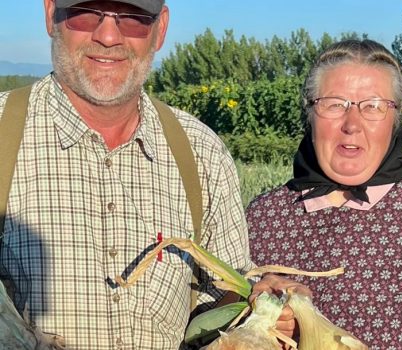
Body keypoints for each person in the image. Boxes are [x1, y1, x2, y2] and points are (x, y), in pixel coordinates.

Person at [0, 0, 301, 348]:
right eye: (86, 12)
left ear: (160, 28)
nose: (109, 36)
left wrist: (260, 308)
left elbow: (222, 298)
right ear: (51, 14)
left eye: (133, 18)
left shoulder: (201, 151)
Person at [246, 39, 402, 349]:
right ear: (310, 113)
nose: (352, 124)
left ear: (396, 119)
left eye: (373, 107)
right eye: (334, 104)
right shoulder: (262, 215)